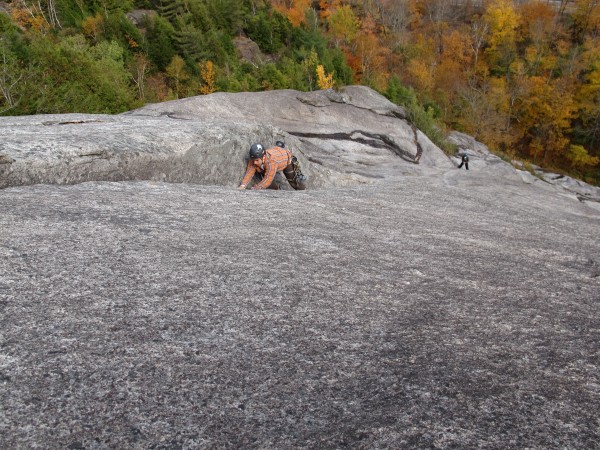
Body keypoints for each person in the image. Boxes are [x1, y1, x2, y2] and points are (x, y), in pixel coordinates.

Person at [238, 141, 307, 190]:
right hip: (271, 160)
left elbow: (268, 178)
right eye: (253, 160)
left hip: (286, 159)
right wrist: (243, 185)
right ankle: (277, 191)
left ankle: (304, 191)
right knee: (270, 185)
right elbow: (249, 172)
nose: (255, 162)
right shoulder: (255, 158)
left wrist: (257, 187)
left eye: (257, 160)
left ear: (264, 157)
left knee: (293, 182)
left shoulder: (272, 161)